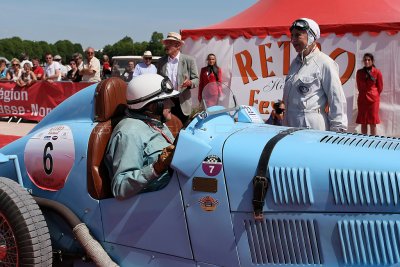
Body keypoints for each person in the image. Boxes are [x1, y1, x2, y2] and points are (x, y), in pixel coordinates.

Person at [105, 73, 179, 200]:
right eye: (166, 100)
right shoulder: (129, 133)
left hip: (173, 192)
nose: (172, 104)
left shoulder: (157, 122)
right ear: (151, 105)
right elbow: (120, 187)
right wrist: (155, 168)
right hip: (155, 204)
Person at [282, 18, 347, 132]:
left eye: (298, 35)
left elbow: (337, 99)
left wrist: (338, 132)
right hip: (289, 126)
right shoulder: (294, 63)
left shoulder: (325, 63)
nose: (293, 40)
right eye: (292, 36)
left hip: (312, 129)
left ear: (311, 36)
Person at [157, 32, 199, 125]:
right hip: (166, 101)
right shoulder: (161, 61)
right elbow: (158, 80)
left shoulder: (189, 60)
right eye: (166, 43)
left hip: (182, 102)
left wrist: (189, 83)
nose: (166, 46)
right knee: (168, 128)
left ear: (178, 46)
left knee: (182, 128)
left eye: (169, 43)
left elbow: (196, 79)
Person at [355, 53, 383, 135]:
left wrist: (374, 94)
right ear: (363, 61)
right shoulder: (359, 72)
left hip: (373, 100)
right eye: (365, 60)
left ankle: (373, 141)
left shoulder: (377, 72)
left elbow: (380, 87)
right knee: (363, 121)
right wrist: (363, 93)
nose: (367, 61)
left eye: (368, 60)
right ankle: (364, 141)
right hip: (362, 99)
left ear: (372, 61)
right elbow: (359, 86)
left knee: (372, 122)